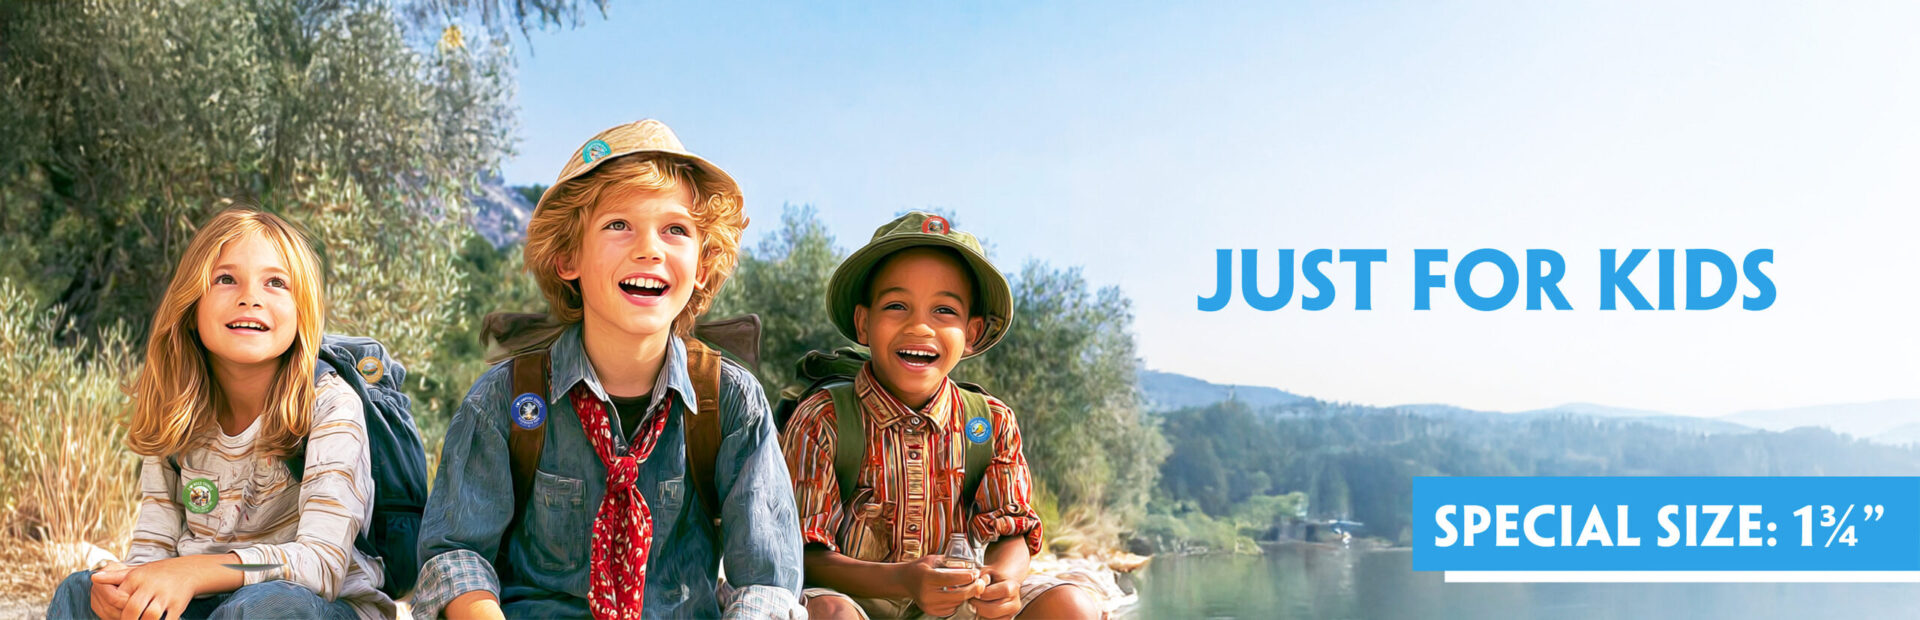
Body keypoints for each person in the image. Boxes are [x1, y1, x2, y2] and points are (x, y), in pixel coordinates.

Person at [413, 119, 803, 619]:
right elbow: (456, 555)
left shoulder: (731, 402)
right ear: (567, 257)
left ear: (702, 267)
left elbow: (768, 583)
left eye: (676, 230)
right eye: (619, 225)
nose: (650, 249)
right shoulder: (504, 399)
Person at [45, 206, 392, 619]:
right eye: (226, 279)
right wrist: (126, 588)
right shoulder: (177, 410)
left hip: (317, 606)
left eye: (276, 282)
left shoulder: (329, 405)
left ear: (303, 314)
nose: (250, 298)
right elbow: (153, 552)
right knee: (81, 592)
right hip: (205, 602)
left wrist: (196, 572)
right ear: (191, 306)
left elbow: (322, 564)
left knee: (261, 607)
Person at [782, 212, 1101, 619]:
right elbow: (801, 553)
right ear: (864, 324)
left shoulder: (990, 423)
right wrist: (904, 580)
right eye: (896, 306)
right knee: (829, 612)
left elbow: (1012, 529)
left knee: (1070, 606)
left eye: (944, 311)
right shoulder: (824, 418)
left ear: (972, 333)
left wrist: (1003, 581)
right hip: (854, 600)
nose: (920, 327)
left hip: (958, 602)